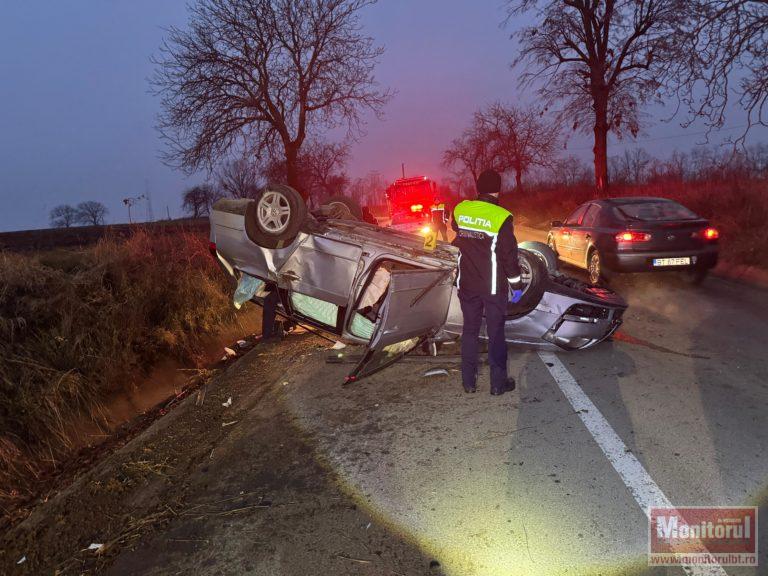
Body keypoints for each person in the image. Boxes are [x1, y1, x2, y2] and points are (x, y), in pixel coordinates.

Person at [451, 169, 523, 395]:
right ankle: (497, 384)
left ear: (478, 188)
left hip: (467, 284)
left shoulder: (460, 210)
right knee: (496, 333)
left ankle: (468, 382)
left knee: (470, 331)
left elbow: (456, 230)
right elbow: (508, 256)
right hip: (493, 287)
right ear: (497, 189)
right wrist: (517, 285)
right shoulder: (501, 216)